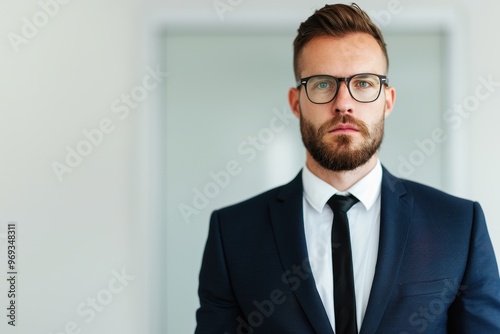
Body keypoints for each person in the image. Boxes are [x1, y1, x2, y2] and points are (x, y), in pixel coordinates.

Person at [195, 3, 500, 333]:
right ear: (296, 102)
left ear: (388, 100)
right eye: (323, 84)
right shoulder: (233, 234)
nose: (343, 102)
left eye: (364, 83)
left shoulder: (458, 226)